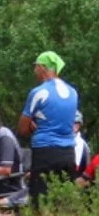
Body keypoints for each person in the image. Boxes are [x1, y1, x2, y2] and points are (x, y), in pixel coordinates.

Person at [19, 50, 81, 204]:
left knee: (40, 202)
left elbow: (22, 129)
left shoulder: (39, 92)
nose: (34, 72)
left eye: (36, 67)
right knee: (64, 202)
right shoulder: (73, 92)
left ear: (42, 67)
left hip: (45, 152)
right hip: (68, 153)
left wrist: (33, 124)